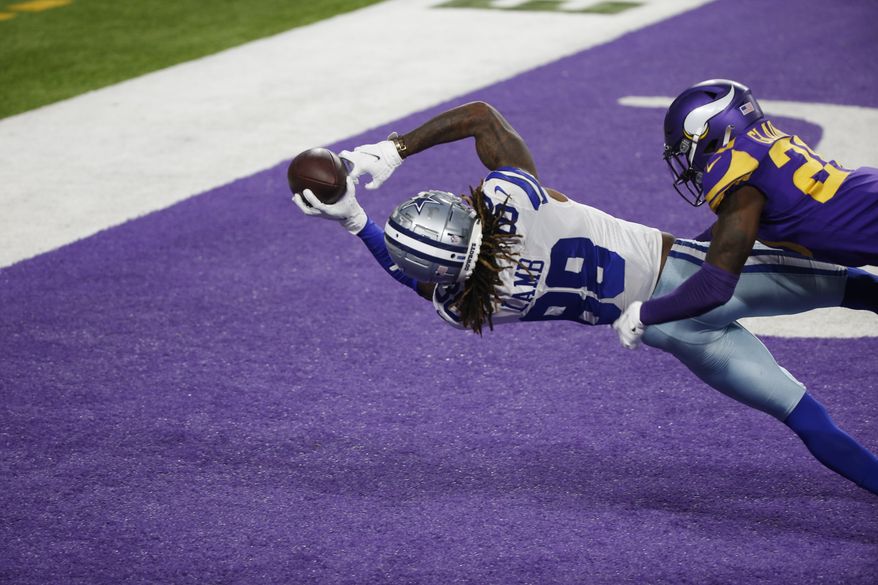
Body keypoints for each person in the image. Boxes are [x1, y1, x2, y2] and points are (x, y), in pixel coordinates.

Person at [291, 100, 878, 496]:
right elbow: (482, 118)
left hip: (673, 337)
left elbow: (415, 279)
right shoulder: (510, 202)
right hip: (686, 279)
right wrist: (393, 148)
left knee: (804, 417)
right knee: (858, 288)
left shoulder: (470, 300)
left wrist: (355, 222)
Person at [612, 79, 878, 349]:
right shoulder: (760, 148)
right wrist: (684, 250)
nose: (687, 167)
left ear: (708, 133)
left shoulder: (738, 175)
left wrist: (643, 314)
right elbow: (726, 233)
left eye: (683, 149)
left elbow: (714, 288)